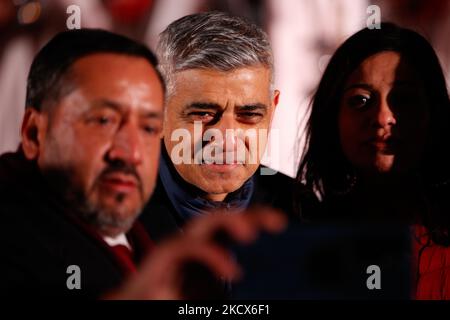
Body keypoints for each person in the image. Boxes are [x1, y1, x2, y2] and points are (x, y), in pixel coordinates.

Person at [0, 28, 287, 299]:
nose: (132, 152)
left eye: (149, 128)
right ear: (34, 133)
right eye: (104, 121)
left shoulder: (133, 232)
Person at [296, 23, 450, 299]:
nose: (382, 118)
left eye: (403, 99)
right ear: (333, 117)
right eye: (361, 100)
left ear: (434, 113)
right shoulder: (299, 239)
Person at [139, 11, 295, 242]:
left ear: (271, 112)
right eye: (203, 114)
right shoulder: (114, 215)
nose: (227, 137)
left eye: (249, 114)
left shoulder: (299, 210)